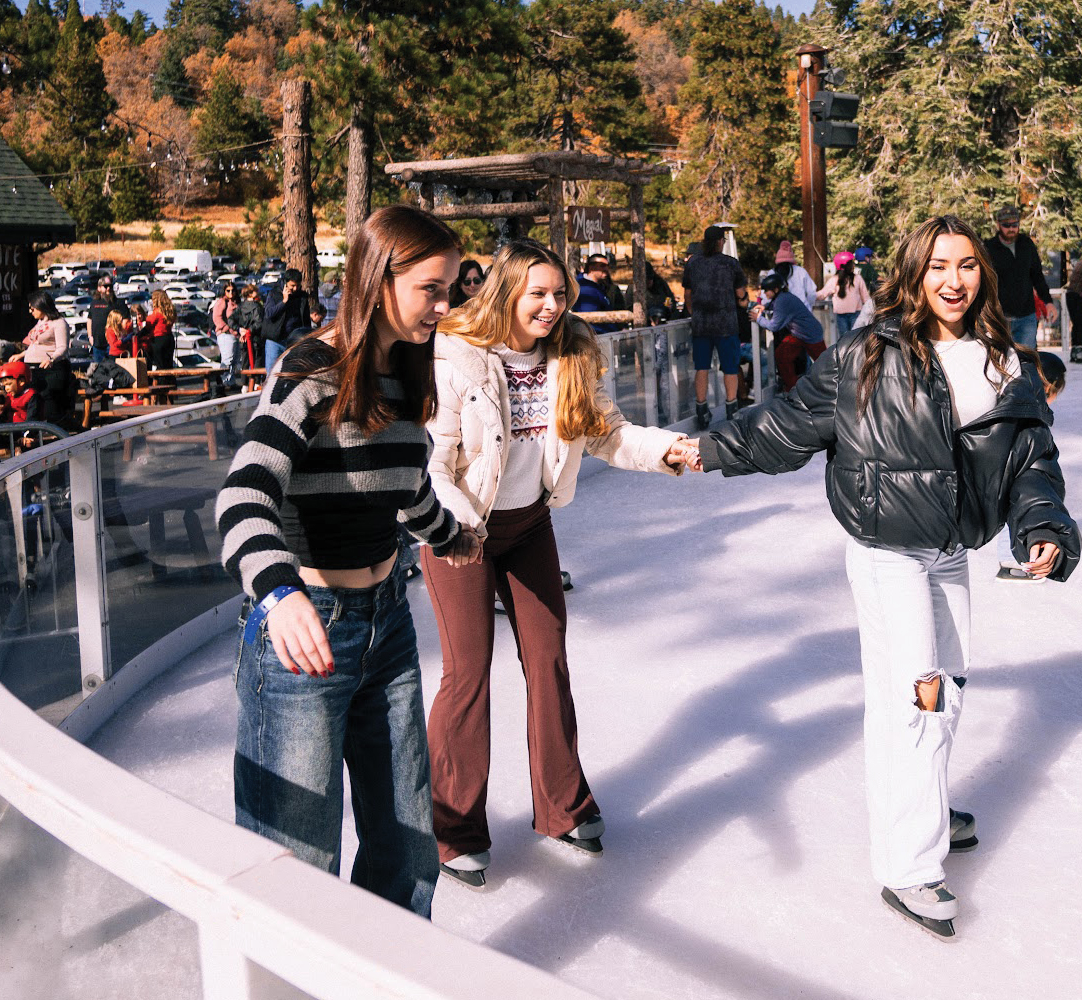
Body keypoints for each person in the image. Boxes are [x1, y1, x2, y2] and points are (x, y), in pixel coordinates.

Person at [697, 215, 1078, 939]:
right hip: (885, 552)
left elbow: (1033, 465)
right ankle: (908, 866)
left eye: (967, 266)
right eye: (939, 265)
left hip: (950, 552)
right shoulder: (868, 353)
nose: (954, 280)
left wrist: (1045, 529)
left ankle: (924, 806)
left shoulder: (1002, 359)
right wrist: (702, 450)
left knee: (947, 695)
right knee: (917, 698)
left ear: (983, 275)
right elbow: (783, 429)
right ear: (914, 272)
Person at [214, 204, 482, 920]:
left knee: (405, 850)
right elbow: (244, 495)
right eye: (432, 287)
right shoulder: (312, 367)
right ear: (379, 278)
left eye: (451, 287)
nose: (444, 304)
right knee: (295, 861)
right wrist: (278, 593)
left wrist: (447, 535)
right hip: (306, 638)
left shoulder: (401, 373)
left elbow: (403, 485)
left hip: (386, 627)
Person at [422, 239, 700, 889]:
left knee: (547, 657)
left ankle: (562, 804)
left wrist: (670, 449)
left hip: (526, 526)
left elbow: (605, 432)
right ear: (507, 292)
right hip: (460, 528)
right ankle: (453, 827)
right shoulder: (458, 357)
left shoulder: (573, 353)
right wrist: (455, 524)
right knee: (468, 674)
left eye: (559, 293)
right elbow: (430, 462)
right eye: (538, 293)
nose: (551, 306)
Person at [996, 352, 1067, 578]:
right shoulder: (1030, 410)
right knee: (1015, 498)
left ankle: (1015, 552)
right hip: (1008, 471)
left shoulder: (1021, 398)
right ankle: (1014, 555)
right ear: (1047, 386)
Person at [682, 224, 747, 428]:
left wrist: (694, 313)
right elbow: (740, 293)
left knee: (701, 368)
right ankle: (731, 409)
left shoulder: (693, 263)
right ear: (721, 241)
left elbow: (687, 295)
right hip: (726, 323)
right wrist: (744, 300)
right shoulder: (730, 264)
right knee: (729, 367)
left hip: (701, 325)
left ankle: (702, 411)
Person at [982, 204, 1056, 348]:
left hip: (1026, 317)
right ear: (998, 225)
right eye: (1006, 225)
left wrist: (1048, 302)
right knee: (1001, 361)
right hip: (1000, 318)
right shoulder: (989, 248)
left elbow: (1037, 277)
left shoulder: (1027, 245)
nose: (1011, 228)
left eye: (1015, 224)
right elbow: (982, 282)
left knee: (1027, 360)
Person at [757, 269, 827, 392]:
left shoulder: (783, 300)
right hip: (800, 335)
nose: (765, 293)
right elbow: (774, 304)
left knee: (825, 364)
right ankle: (793, 388)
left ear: (776, 289)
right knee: (782, 355)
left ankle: (832, 388)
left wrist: (758, 318)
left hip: (811, 335)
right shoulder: (783, 297)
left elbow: (774, 326)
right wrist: (765, 307)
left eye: (767, 290)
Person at [14, 290, 74, 429]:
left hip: (52, 370)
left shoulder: (59, 323)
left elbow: (62, 347)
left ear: (41, 305)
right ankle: (31, 432)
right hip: (34, 370)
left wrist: (52, 359)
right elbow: (35, 345)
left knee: (51, 408)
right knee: (33, 403)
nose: (30, 311)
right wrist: (21, 355)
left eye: (32, 308)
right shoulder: (40, 323)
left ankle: (71, 432)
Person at [262, 270, 311, 372]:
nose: (295, 288)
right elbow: (269, 314)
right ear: (285, 282)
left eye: (298, 285)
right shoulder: (274, 293)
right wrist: (284, 301)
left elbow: (305, 320)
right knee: (272, 373)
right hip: (275, 341)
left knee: (292, 373)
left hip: (293, 341)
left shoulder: (302, 297)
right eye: (292, 285)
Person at [816, 251, 871, 338]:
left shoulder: (858, 278)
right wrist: (809, 295)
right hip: (841, 317)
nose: (853, 265)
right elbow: (823, 293)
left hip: (856, 314)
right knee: (844, 340)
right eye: (850, 263)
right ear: (844, 265)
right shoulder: (834, 280)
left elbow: (865, 297)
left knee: (856, 339)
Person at [87, 275, 127, 365]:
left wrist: (121, 336)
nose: (108, 288)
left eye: (110, 286)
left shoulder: (118, 303)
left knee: (114, 370)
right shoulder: (94, 303)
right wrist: (90, 337)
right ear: (99, 288)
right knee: (100, 371)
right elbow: (89, 320)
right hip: (97, 344)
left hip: (112, 345)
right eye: (106, 286)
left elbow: (126, 320)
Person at [233, 285, 266, 384]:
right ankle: (255, 382)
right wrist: (249, 330)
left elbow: (231, 319)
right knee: (258, 361)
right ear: (251, 293)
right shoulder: (257, 307)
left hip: (244, 339)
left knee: (245, 362)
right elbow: (259, 322)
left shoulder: (240, 307)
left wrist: (240, 330)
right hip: (256, 338)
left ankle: (244, 384)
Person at [773, 240, 819, 309]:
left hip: (779, 312)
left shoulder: (772, 273)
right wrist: (809, 306)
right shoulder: (801, 271)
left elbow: (765, 296)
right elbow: (811, 293)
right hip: (801, 311)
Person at [211, 282, 239, 375]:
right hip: (225, 334)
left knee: (235, 360)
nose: (231, 292)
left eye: (233, 290)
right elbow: (216, 317)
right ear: (224, 291)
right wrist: (226, 328)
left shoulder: (236, 302)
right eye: (228, 290)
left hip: (235, 335)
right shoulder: (222, 302)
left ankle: (231, 381)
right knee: (227, 360)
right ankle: (225, 381)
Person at [146, 288, 177, 371]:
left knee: (160, 366)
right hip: (169, 338)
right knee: (169, 365)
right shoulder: (170, 311)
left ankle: (162, 383)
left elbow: (149, 323)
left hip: (158, 340)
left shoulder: (157, 312)